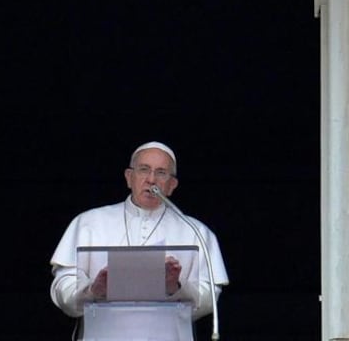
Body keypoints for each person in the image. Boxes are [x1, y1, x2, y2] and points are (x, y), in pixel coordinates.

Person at [49, 141, 228, 338]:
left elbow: (210, 296)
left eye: (161, 173)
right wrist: (93, 291)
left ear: (172, 185)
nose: (151, 179)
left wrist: (176, 288)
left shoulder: (196, 231)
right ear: (129, 177)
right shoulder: (87, 223)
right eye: (144, 170)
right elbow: (62, 288)